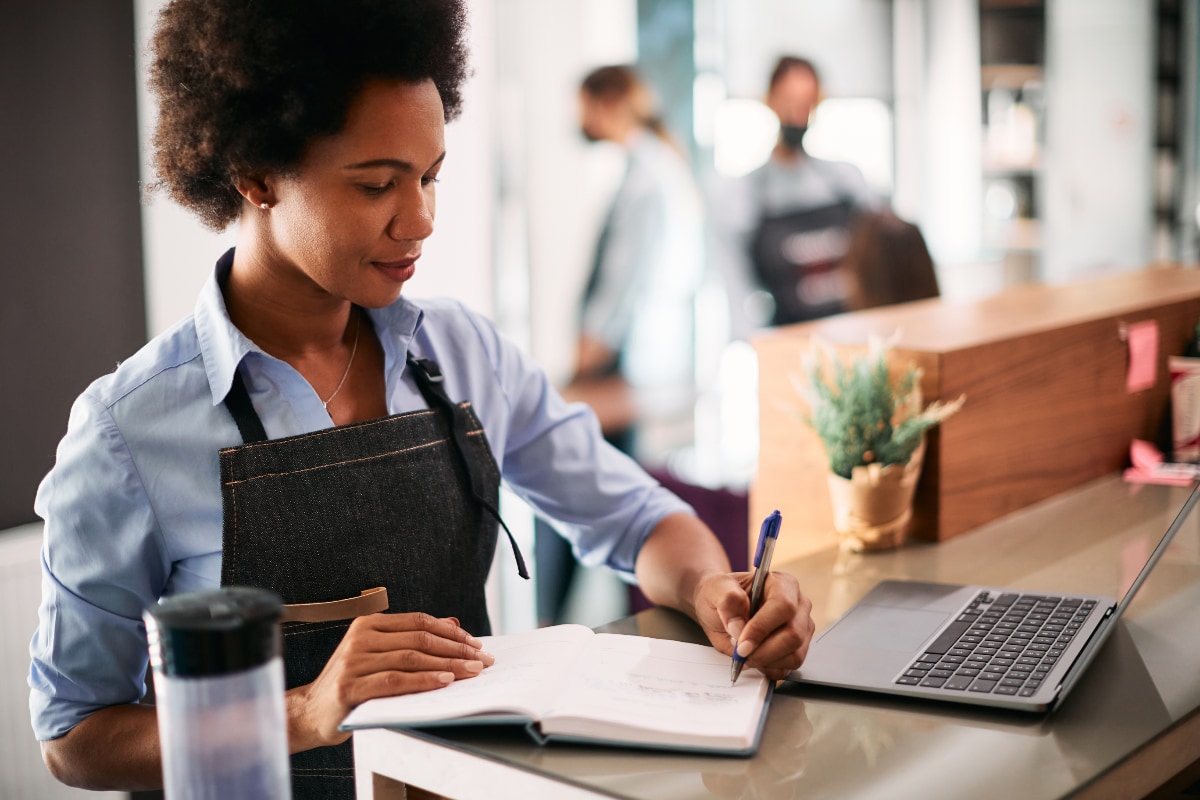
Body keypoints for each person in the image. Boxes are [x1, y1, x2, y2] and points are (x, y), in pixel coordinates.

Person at [27, 2, 814, 797]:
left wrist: (714, 591)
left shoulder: (463, 354)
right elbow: (76, 735)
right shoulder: (127, 434)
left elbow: (638, 518)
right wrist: (304, 711)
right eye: (377, 185)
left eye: (431, 175)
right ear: (257, 174)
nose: (422, 219)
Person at [536, 64, 705, 625]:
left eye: (582, 104)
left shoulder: (643, 177)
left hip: (624, 372)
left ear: (607, 104)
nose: (576, 119)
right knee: (616, 500)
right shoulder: (662, 164)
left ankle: (548, 628)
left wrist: (573, 371)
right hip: (645, 370)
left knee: (563, 490)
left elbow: (618, 291)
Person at [713, 55, 878, 336]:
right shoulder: (746, 194)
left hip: (853, 334)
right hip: (789, 344)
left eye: (807, 103)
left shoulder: (845, 180)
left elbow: (882, 253)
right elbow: (736, 286)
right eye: (790, 101)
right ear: (770, 100)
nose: (798, 114)